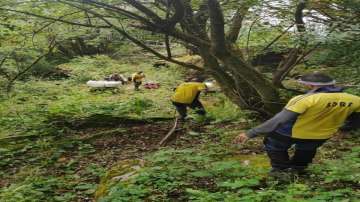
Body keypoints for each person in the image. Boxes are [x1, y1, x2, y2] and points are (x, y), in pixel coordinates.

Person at [234, 72, 360, 174]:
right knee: (308, 148)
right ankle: (298, 169)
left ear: (310, 86)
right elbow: (356, 119)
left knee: (273, 144)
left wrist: (251, 133)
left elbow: (279, 120)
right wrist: (344, 130)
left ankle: (281, 170)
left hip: (290, 133)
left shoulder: (305, 99)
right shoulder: (355, 100)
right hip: (320, 135)